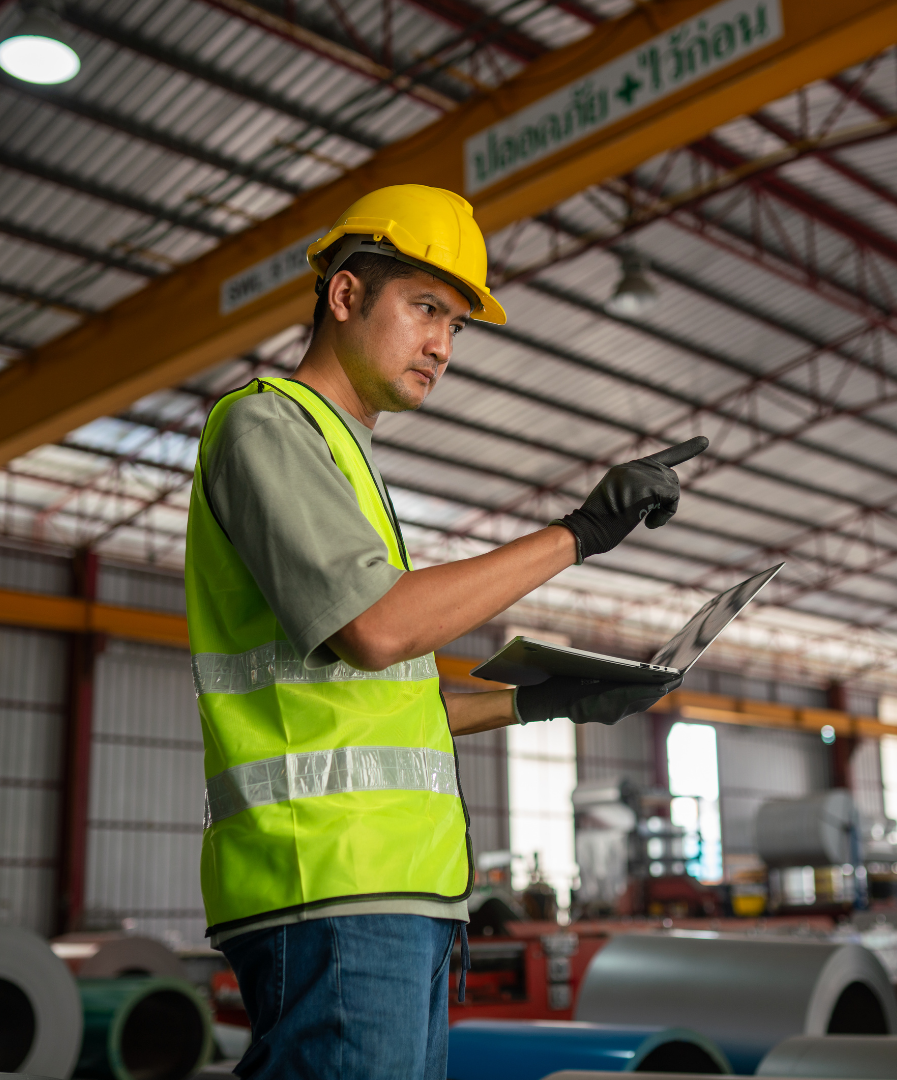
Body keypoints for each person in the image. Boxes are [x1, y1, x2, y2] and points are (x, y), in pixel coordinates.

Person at [185, 184, 706, 1080]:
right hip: (331, 886)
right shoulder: (270, 423)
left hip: (391, 893)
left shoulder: (345, 459)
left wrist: (544, 701)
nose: (442, 345)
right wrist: (578, 534)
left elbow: (380, 701)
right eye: (425, 307)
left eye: (458, 324)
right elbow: (379, 630)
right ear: (345, 294)